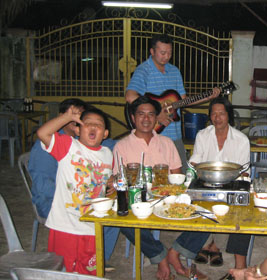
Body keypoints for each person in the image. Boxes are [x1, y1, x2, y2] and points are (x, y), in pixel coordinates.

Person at [113, 95, 209, 280]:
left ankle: (176, 251)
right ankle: (161, 256)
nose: (146, 119)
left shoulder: (167, 143)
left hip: (167, 198)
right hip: (137, 201)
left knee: (208, 213)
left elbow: (177, 178)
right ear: (133, 117)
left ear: (157, 117)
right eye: (141, 114)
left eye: (151, 114)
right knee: (122, 219)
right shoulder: (121, 146)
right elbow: (119, 183)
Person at [28, 98, 119, 271]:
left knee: (90, 270)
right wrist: (66, 117)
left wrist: (111, 181)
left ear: (105, 133)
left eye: (98, 125)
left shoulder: (107, 153)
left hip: (92, 224)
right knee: (63, 272)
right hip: (65, 225)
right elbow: (43, 134)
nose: (92, 127)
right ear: (77, 128)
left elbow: (101, 176)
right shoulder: (68, 146)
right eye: (87, 124)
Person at [125, 34, 219, 172]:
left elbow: (182, 101)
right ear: (152, 51)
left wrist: (207, 97)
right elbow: (130, 96)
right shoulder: (143, 71)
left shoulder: (174, 71)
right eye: (163, 53)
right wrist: (155, 115)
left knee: (179, 174)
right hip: (152, 136)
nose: (166, 56)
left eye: (169, 53)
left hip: (175, 135)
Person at [189, 97, 250, 273]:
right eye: (213, 114)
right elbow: (195, 162)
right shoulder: (202, 135)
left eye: (221, 113)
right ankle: (210, 244)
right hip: (206, 181)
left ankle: (213, 245)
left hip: (231, 183)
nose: (217, 118)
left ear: (229, 115)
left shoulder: (241, 139)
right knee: (198, 204)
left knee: (234, 208)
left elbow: (244, 170)